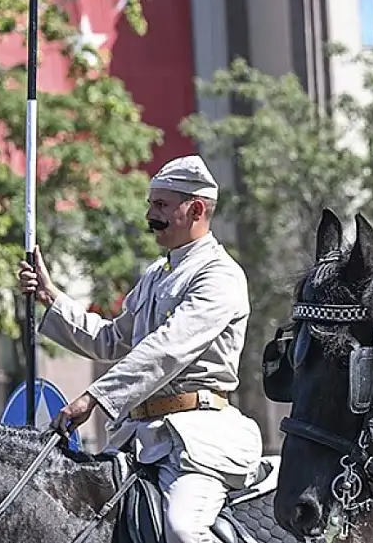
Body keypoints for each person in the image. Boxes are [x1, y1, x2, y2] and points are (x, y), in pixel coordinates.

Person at [17, 155, 263, 543]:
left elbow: (166, 351)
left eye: (161, 205)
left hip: (197, 439)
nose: (150, 215)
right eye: (151, 204)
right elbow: (112, 339)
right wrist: (52, 296)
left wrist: (94, 398)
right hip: (136, 437)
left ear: (196, 209)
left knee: (183, 531)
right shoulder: (156, 274)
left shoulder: (220, 275)